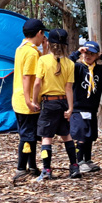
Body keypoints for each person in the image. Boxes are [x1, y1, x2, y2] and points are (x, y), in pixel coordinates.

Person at [32, 29, 79, 181]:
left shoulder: (43, 61)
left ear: (49, 44)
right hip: (63, 103)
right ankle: (74, 166)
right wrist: (70, 108)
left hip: (49, 103)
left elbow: (37, 83)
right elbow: (68, 88)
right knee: (66, 136)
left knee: (46, 137)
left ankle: (46, 169)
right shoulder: (70, 63)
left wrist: (34, 101)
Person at [69, 41, 102, 173]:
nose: (88, 56)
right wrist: (77, 53)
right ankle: (79, 161)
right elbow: (66, 64)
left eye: (92, 54)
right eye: (86, 53)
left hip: (92, 108)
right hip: (78, 107)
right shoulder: (78, 68)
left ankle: (88, 160)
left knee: (90, 136)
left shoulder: (99, 70)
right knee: (81, 135)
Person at [12, 18, 48, 182]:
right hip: (26, 100)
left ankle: (32, 166)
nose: (44, 38)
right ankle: (21, 168)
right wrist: (29, 100)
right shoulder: (31, 53)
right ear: (39, 33)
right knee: (27, 135)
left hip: (18, 98)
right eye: (43, 34)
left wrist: (45, 51)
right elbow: (28, 77)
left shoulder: (22, 48)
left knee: (31, 135)